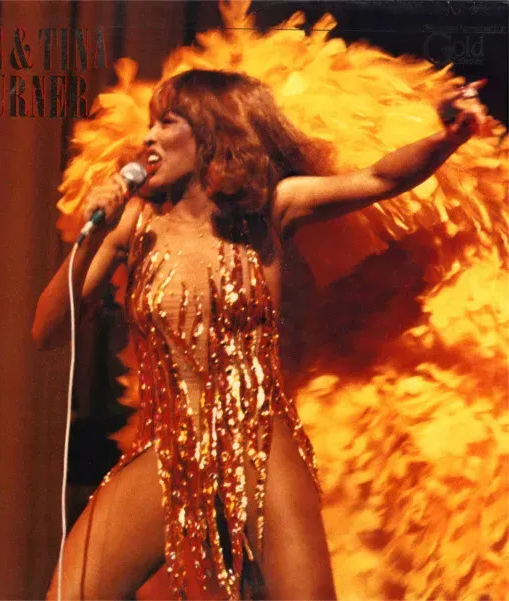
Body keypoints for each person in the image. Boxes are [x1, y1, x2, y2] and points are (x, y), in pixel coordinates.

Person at [32, 69, 489, 601]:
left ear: (213, 134)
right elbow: (46, 330)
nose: (149, 137)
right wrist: (93, 234)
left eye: (167, 122)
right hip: (167, 450)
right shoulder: (132, 224)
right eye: (151, 124)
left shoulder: (270, 210)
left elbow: (380, 178)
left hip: (258, 443)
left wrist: (448, 139)